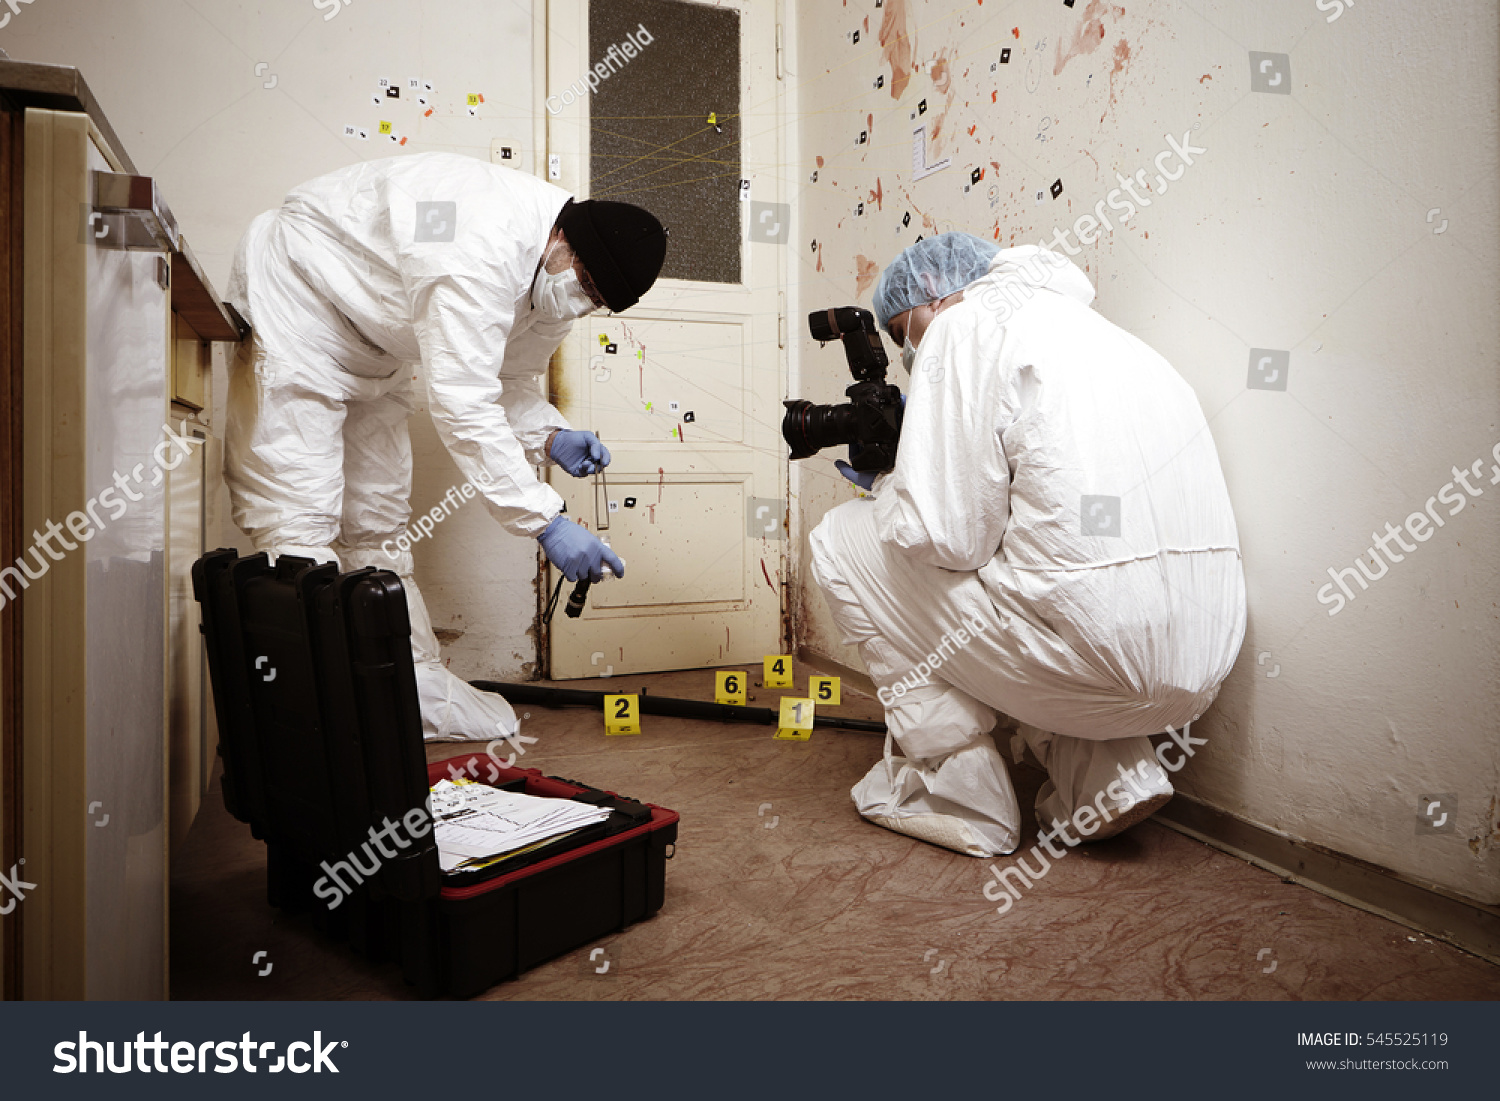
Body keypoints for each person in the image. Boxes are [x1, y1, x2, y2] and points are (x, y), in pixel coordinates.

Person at [809, 233, 1246, 857]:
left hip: (1092, 665)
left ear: (936, 297)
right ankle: (1108, 778)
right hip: (1200, 668)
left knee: (840, 538)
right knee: (1045, 577)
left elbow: (947, 540)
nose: (910, 351)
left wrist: (890, 490)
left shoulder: (962, 330)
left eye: (907, 332)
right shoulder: (1117, 341)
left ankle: (960, 796)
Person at [224, 153, 667, 740]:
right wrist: (545, 521)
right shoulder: (481, 244)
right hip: (300, 299)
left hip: (379, 343)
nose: (580, 303)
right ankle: (309, 716)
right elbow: (464, 401)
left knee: (378, 520)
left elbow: (505, 383)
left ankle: (406, 686)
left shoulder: (552, 282)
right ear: (561, 237)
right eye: (584, 285)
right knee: (297, 520)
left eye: (597, 302)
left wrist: (550, 433)